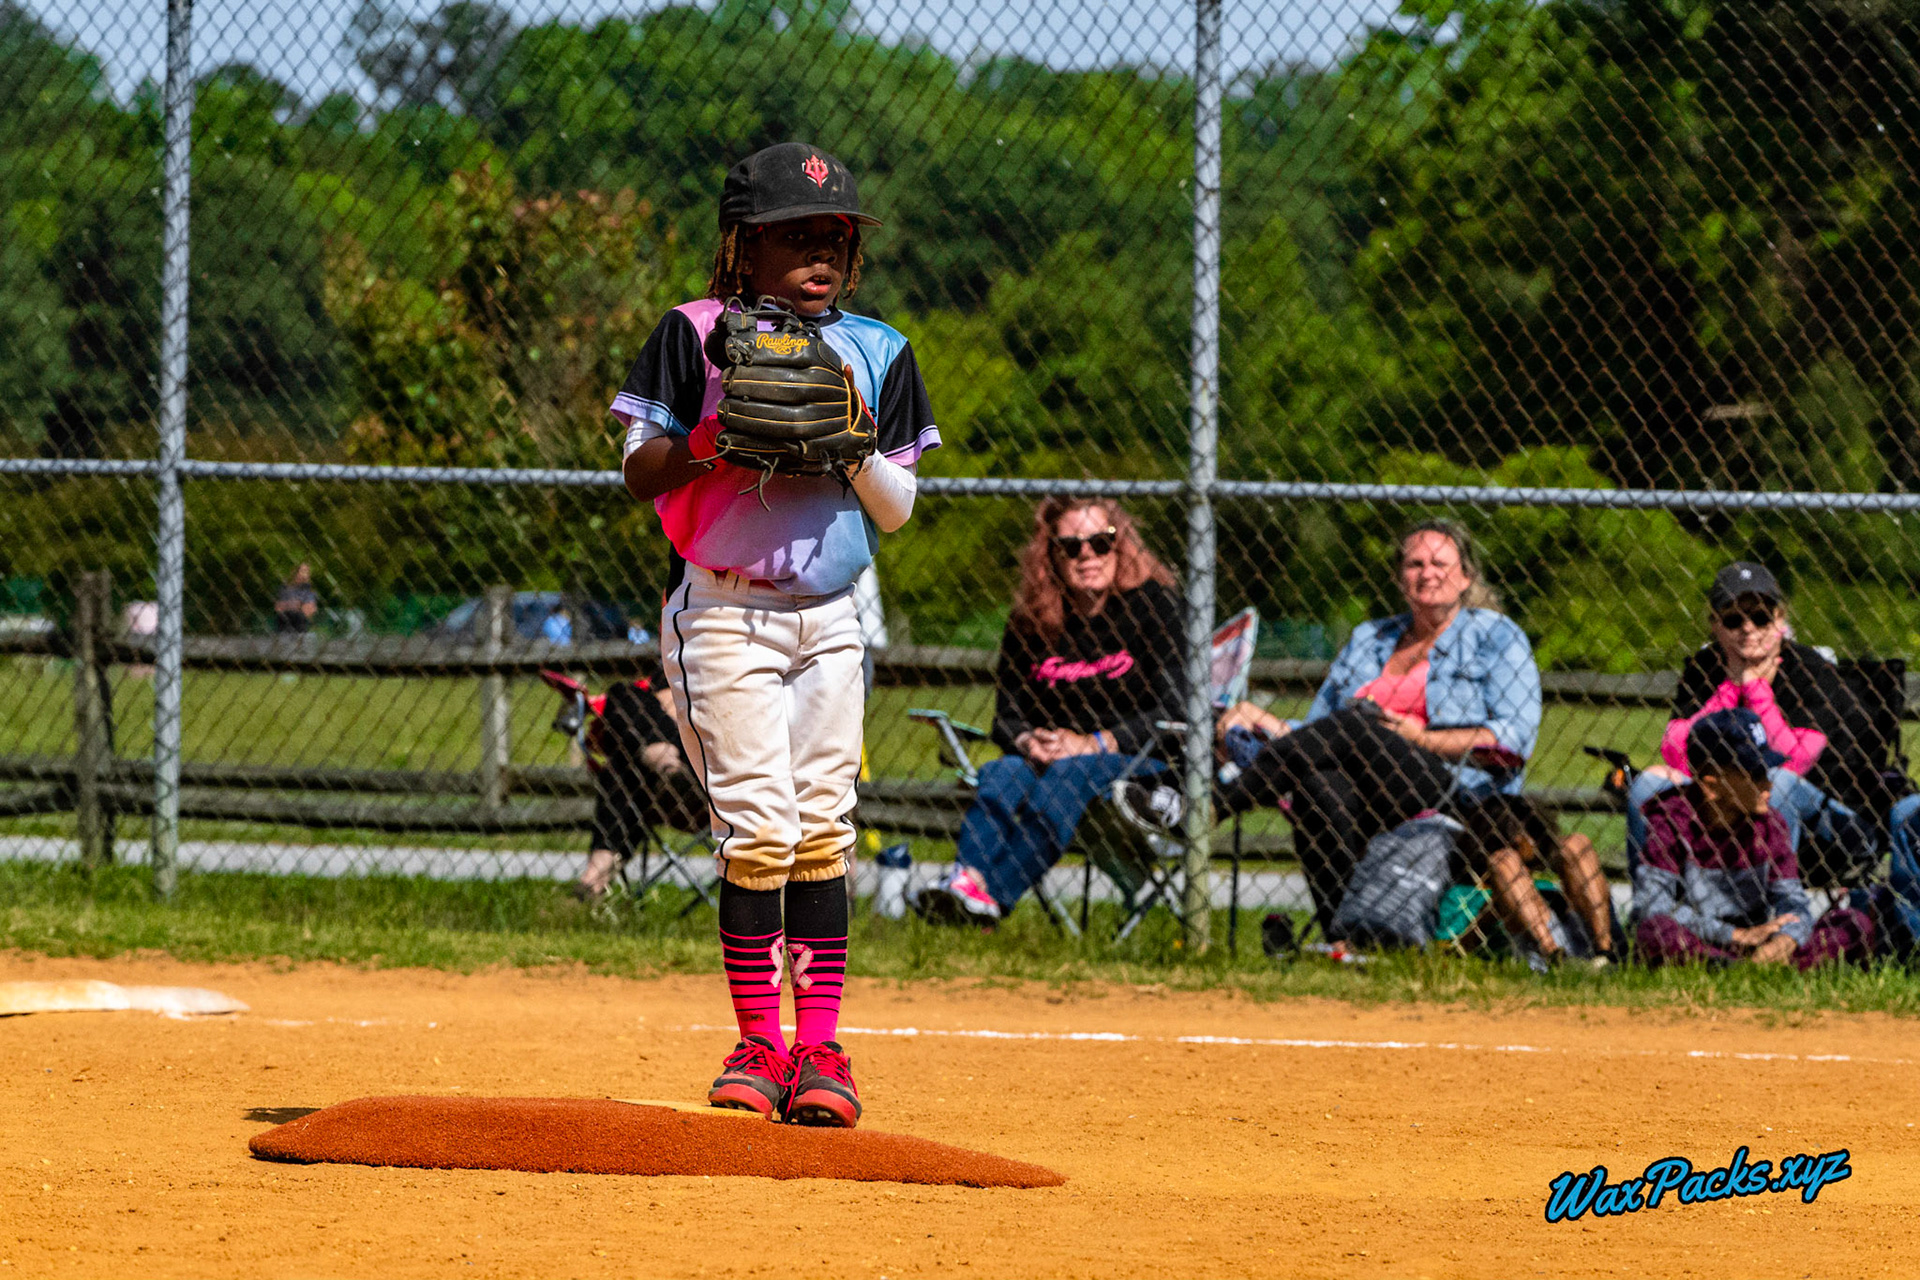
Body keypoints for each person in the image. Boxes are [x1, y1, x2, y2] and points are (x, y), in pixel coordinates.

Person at [613, 143, 937, 1129]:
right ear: (744, 246)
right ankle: (760, 1040)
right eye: (795, 235)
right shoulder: (694, 332)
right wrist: (712, 438)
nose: (820, 253)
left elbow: (898, 510)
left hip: (832, 619)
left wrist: (849, 443)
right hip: (723, 611)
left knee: (825, 829)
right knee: (759, 827)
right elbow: (639, 467)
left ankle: (822, 1047)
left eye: (833, 234)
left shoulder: (877, 347)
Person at [1124, 520, 1541, 935]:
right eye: (1415, 563)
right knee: (1318, 782)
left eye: (1440, 563)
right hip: (1365, 788)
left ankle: (1210, 806)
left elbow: (1512, 737)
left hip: (1456, 793)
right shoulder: (1369, 638)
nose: (1427, 573)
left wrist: (1422, 739)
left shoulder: (1497, 636)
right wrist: (1267, 720)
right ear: (1400, 577)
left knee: (1358, 724)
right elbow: (1319, 735)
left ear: (1466, 576)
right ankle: (1347, 937)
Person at [916, 497, 1185, 923]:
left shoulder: (1155, 607)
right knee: (1001, 774)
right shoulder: (1031, 620)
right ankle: (966, 881)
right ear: (1052, 556)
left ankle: (992, 900)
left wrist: (1093, 743)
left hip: (1139, 760)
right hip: (1051, 757)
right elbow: (1007, 716)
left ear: (1121, 545)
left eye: (1101, 542)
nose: (1087, 556)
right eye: (1071, 547)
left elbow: (1175, 711)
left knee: (1067, 775)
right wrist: (1028, 739)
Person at [1624, 561, 1881, 872]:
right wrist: (1731, 687)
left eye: (1760, 618)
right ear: (1715, 625)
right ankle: (1655, 908)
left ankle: (1768, 906)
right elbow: (1676, 753)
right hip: (1718, 797)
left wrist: (1756, 688)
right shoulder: (1704, 667)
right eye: (1734, 619)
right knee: (1647, 784)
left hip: (1818, 810)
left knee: (1776, 783)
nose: (1748, 628)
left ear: (1779, 619)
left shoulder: (1810, 669)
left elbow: (1793, 762)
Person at [1632, 709, 1876, 969]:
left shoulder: (1770, 823)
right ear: (1711, 786)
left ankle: (1752, 966)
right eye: (1755, 774)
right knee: (1656, 932)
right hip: (1701, 938)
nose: (1768, 784)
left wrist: (1785, 940)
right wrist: (1733, 935)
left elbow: (1793, 901)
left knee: (1854, 924)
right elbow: (1653, 905)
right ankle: (1724, 965)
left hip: (1760, 940)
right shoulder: (1671, 818)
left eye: (1767, 771)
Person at [572, 669, 708, 901]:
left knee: (625, 759)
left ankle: (596, 875)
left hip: (711, 777)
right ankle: (666, 765)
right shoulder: (676, 657)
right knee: (623, 695)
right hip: (658, 786)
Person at [1455, 795, 1616, 968]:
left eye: (1532, 830)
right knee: (1504, 863)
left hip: (1577, 929)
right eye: (1511, 833)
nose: (1526, 840)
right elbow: (1457, 946)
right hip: (1530, 942)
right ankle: (1555, 959)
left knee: (1576, 843)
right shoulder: (1463, 891)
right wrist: (1497, 905)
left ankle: (1605, 954)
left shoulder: (1548, 879)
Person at [274, 564, 318, 634]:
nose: (305, 575)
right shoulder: (284, 589)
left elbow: (310, 610)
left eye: (307, 572)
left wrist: (291, 605)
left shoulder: (309, 591)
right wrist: (296, 605)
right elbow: (278, 608)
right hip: (283, 626)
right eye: (302, 571)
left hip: (301, 626)